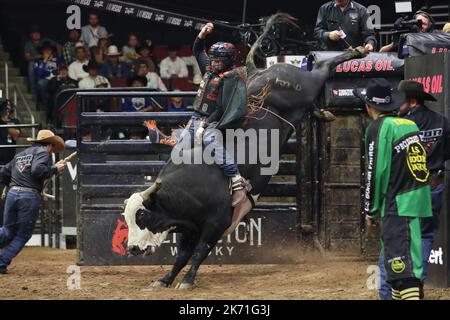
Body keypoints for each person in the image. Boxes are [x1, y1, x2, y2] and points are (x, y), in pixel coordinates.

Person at [357, 78, 432, 300]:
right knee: (401, 266)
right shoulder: (410, 124)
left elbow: (375, 171)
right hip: (416, 200)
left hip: (397, 204)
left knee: (402, 269)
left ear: (369, 106)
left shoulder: (378, 128)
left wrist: (370, 209)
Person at [377, 80, 450, 300]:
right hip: (433, 186)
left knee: (393, 240)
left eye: (401, 100)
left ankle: (388, 291)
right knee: (425, 237)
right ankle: (415, 285)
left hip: (405, 191)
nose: (398, 104)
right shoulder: (442, 122)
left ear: (412, 101)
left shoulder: (400, 124)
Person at [177, 22, 249, 208]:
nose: (214, 63)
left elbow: (221, 108)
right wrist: (202, 34)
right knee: (181, 146)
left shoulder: (230, 78)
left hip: (213, 120)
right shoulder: (209, 70)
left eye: (218, 61)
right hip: (196, 117)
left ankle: (236, 179)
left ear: (227, 61)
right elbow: (197, 50)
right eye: (213, 59)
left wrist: (204, 125)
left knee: (210, 142)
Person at [0, 130, 66, 274]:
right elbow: (37, 170)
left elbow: (4, 172)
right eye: (52, 147)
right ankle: (1, 262)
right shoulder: (43, 152)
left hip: (13, 193)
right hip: (28, 196)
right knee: (23, 234)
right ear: (49, 144)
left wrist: (8, 185)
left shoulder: (20, 155)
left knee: (7, 230)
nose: (52, 150)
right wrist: (55, 169)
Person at [23, 25, 58, 92]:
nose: (36, 34)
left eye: (38, 33)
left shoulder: (45, 40)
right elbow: (27, 57)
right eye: (34, 33)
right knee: (31, 64)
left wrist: (54, 55)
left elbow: (57, 45)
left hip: (48, 60)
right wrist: (39, 57)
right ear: (31, 35)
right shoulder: (28, 44)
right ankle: (33, 87)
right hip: (36, 61)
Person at [34, 42, 60, 111]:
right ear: (42, 51)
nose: (47, 52)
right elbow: (39, 73)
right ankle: (45, 103)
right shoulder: (38, 62)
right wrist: (45, 61)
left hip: (56, 80)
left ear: (52, 51)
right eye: (45, 50)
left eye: (49, 50)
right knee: (40, 83)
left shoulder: (57, 60)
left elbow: (62, 70)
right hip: (45, 80)